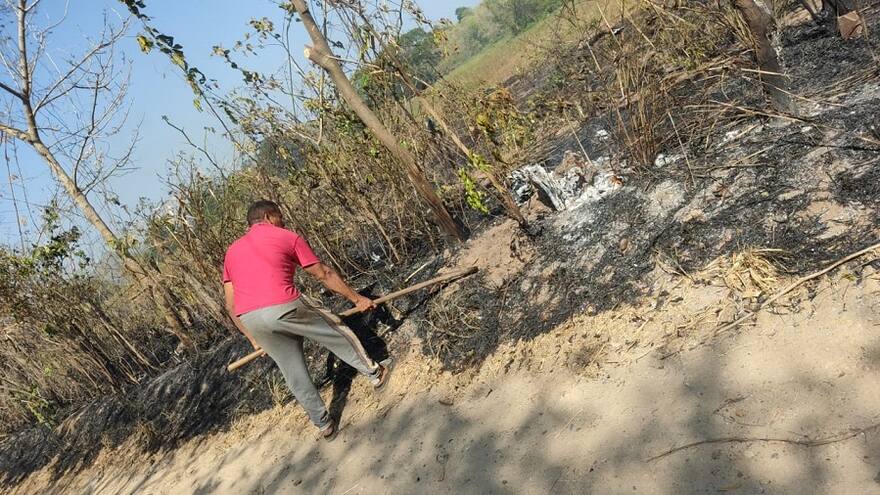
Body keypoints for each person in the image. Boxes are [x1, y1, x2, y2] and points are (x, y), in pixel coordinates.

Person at [223, 200, 390, 440]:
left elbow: (231, 305)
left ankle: (323, 424)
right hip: (283, 303)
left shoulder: (231, 252)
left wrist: (253, 338)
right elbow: (324, 273)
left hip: (251, 319)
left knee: (292, 370)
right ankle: (375, 374)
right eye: (280, 216)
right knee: (334, 329)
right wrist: (357, 299)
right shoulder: (286, 236)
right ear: (269, 216)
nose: (283, 221)